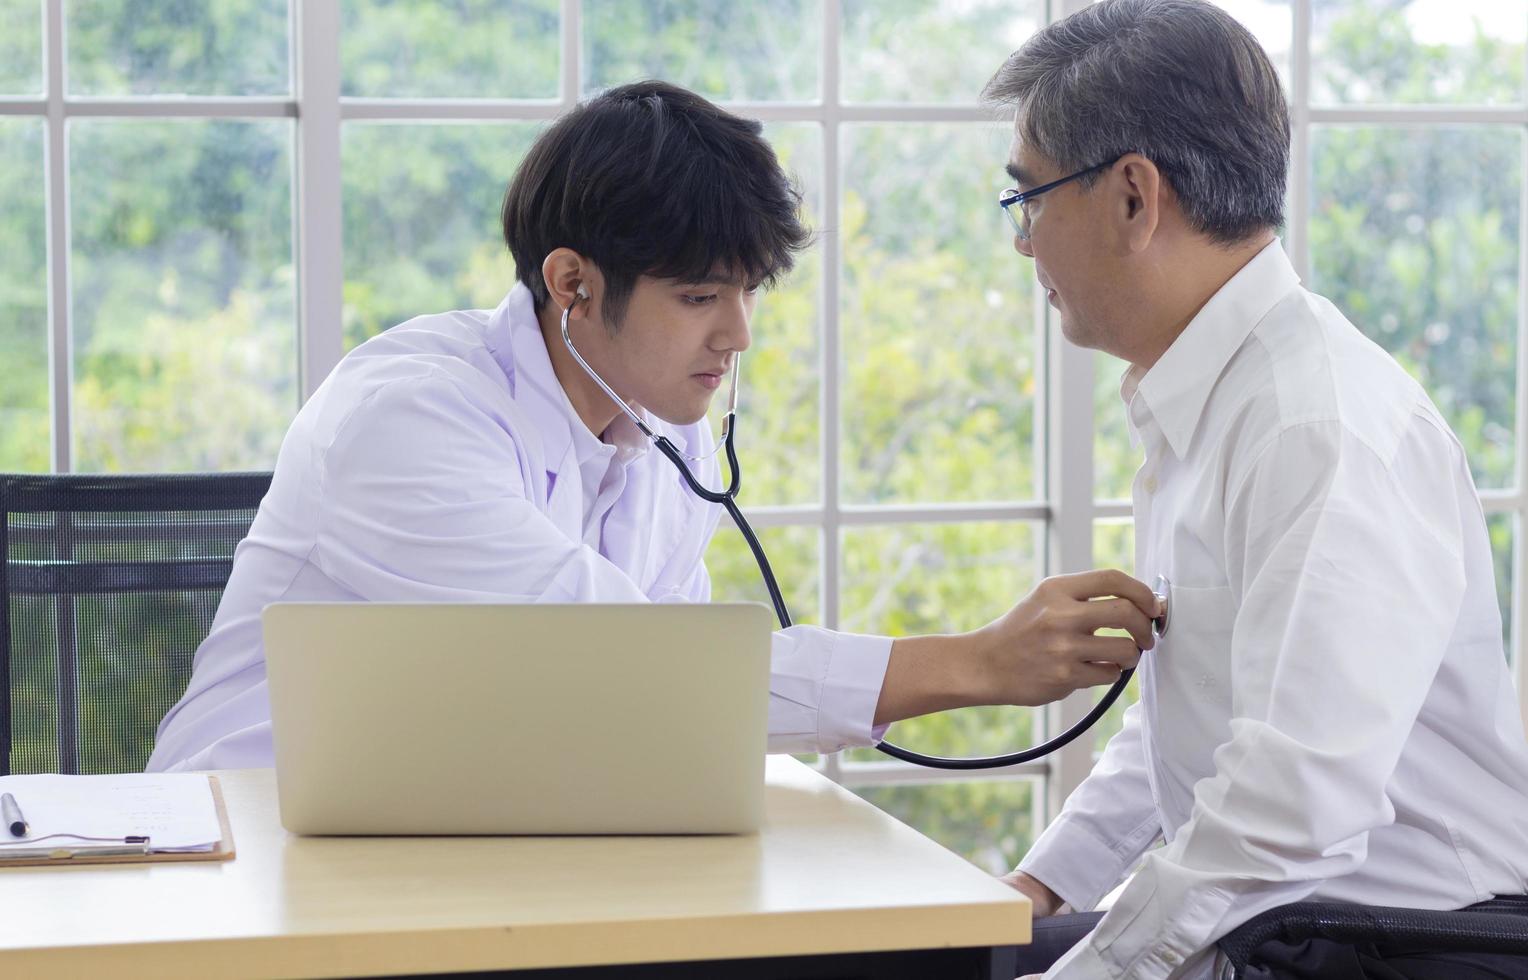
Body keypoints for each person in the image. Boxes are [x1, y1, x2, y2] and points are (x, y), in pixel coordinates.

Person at [147, 80, 1161, 773]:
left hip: (470, 853)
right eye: (697, 297)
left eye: (748, 293)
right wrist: (976, 662)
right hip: (240, 855)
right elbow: (637, 668)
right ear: (572, 283)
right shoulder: (406, 418)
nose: (737, 335)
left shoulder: (659, 444)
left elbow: (660, 726)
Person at [981, 2, 1528, 978]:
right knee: (943, 952)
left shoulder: (1313, 425)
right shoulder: (1214, 395)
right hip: (1293, 924)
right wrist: (1037, 892)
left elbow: (1290, 808)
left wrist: (1091, 970)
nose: (1023, 244)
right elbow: (1195, 729)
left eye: (1029, 198)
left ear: (1133, 198)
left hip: (1408, 948)